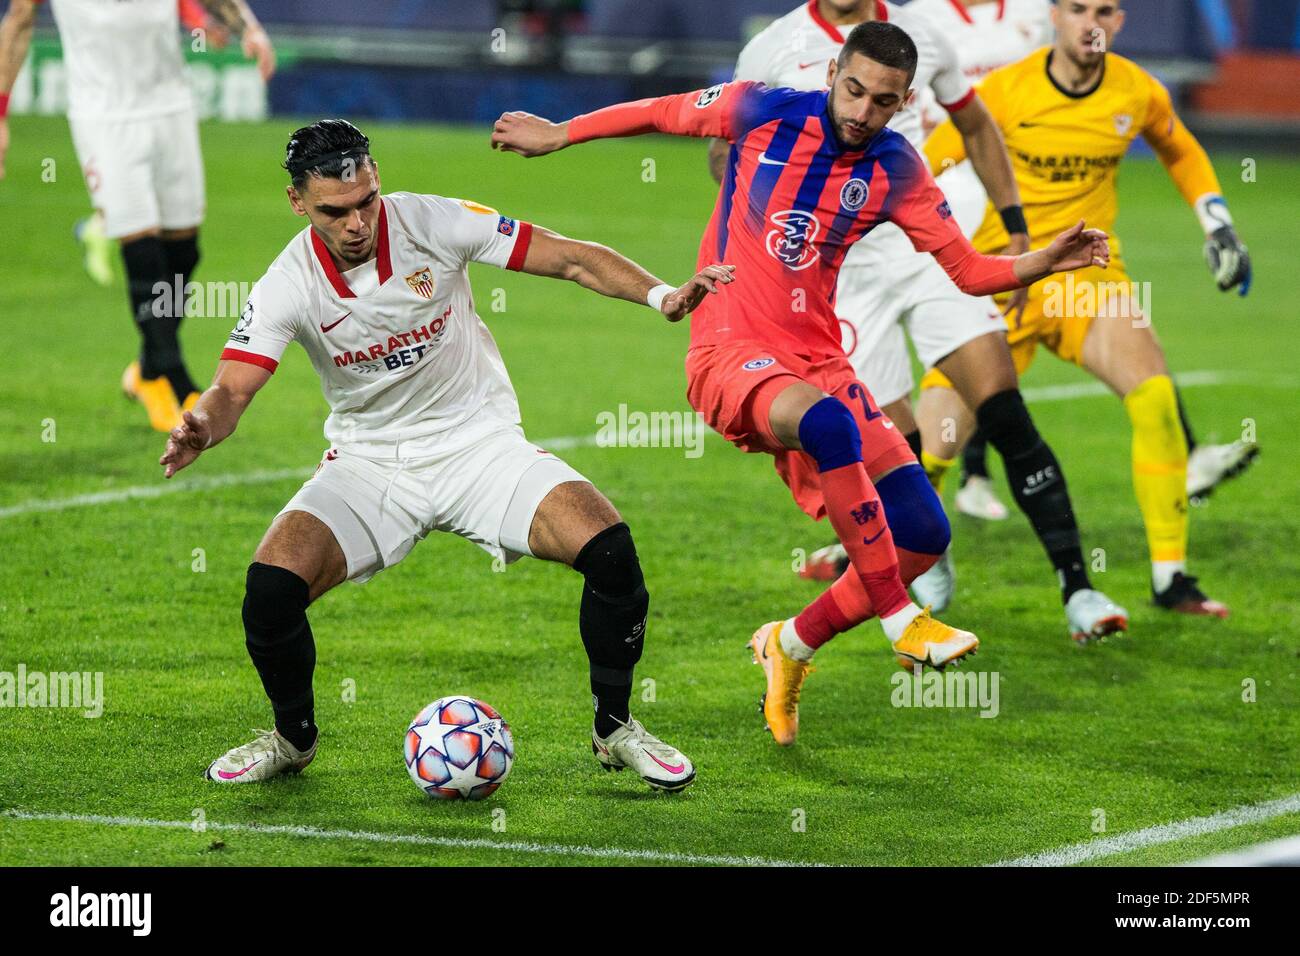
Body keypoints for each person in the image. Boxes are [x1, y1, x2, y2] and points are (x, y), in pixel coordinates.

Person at [492, 22, 1114, 744]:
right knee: (829, 427)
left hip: (817, 357)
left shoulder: (897, 167)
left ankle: (789, 644)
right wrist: (561, 133)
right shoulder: (765, 111)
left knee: (923, 530)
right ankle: (898, 616)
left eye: (882, 101)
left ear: (904, 100)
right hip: (729, 346)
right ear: (833, 75)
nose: (862, 110)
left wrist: (1047, 258)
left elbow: (971, 272)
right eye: (852, 90)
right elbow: (659, 111)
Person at [161, 119, 731, 791]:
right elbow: (233, 387)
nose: (355, 223)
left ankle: (614, 729)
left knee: (610, 551)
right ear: (298, 203)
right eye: (333, 211)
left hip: (478, 446)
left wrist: (663, 295)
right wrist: (200, 423)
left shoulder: (435, 222)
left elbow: (568, 256)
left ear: (378, 181)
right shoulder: (286, 283)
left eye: (367, 201)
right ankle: (294, 739)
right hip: (371, 464)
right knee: (269, 594)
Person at [709, 1, 1125, 637]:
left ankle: (1078, 588)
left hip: (928, 246)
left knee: (1003, 406)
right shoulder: (771, 46)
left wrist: (1015, 228)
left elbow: (978, 125)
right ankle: (928, 556)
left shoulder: (921, 33)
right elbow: (725, 154)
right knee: (892, 441)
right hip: (832, 276)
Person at [919, 0, 1252, 615]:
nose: (1090, 22)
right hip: (1006, 279)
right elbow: (930, 159)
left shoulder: (1136, 91)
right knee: (932, 446)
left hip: (1085, 278)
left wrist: (1217, 223)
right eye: (1077, 9)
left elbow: (1180, 150)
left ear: (1120, 21)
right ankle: (897, 555)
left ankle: (1170, 579)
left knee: (1153, 396)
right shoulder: (1005, 92)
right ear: (1054, 16)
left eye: (1104, 10)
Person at [0, 0, 275, 431]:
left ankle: (147, 371)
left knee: (184, 252)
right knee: (141, 249)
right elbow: (18, 21)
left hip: (171, 107)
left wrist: (249, 28)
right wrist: (0, 113)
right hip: (103, 116)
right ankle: (173, 375)